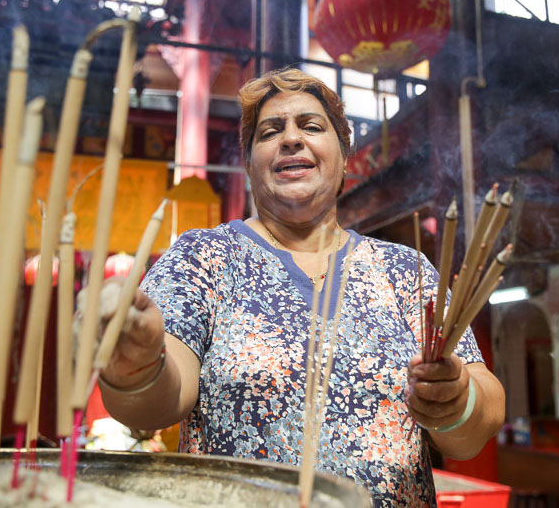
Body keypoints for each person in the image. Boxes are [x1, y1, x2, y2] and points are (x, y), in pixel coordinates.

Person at [95, 68, 505, 506]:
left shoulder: (404, 270)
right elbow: (161, 399)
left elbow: (479, 418)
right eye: (271, 131)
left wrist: (457, 400)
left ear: (344, 156)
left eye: (311, 126)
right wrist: (136, 367)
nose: (291, 138)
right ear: (249, 162)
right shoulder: (204, 257)